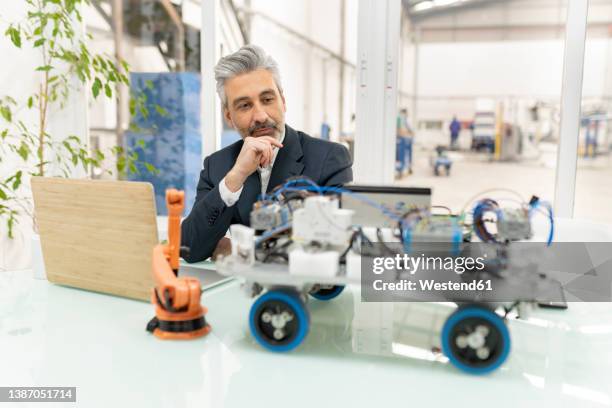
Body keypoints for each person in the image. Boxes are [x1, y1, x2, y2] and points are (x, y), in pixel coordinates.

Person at [181, 45, 353, 263]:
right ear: (229, 117)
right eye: (244, 105)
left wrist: (241, 251)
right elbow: (189, 248)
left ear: (283, 101)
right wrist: (236, 177)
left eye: (267, 99)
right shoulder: (218, 166)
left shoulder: (329, 158)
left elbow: (338, 252)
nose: (261, 116)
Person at [396, 108, 414, 175]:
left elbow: (408, 130)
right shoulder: (399, 118)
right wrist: (405, 134)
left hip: (405, 139)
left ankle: (408, 167)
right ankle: (401, 169)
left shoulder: (404, 120)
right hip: (401, 139)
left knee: (406, 156)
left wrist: (409, 134)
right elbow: (399, 130)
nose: (406, 115)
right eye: (405, 113)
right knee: (401, 157)